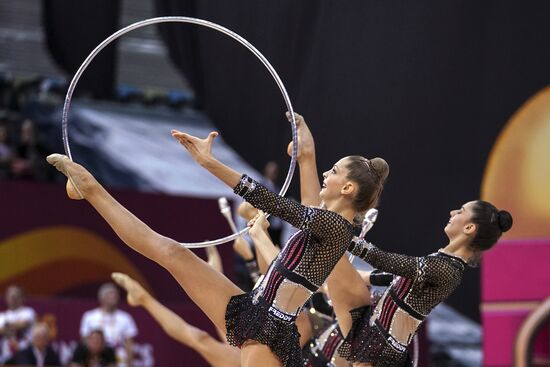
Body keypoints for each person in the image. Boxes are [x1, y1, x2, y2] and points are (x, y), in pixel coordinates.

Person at [46, 111, 387, 366]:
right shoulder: (326, 224)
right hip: (254, 308)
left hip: (271, 335)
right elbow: (310, 202)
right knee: (172, 252)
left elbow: (270, 201)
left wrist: (208, 162)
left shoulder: (336, 230)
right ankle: (89, 188)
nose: (327, 173)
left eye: (335, 171)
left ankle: (89, 189)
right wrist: (307, 155)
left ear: (347, 188)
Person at [288, 113, 513, 366]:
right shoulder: (441, 261)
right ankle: (306, 156)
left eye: (460, 212)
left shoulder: (448, 270)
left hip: (381, 352)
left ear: (470, 227)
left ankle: (307, 156)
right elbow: (393, 279)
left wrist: (349, 241)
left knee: (325, 233)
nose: (452, 213)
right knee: (321, 231)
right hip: (371, 330)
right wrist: (356, 271)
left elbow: (389, 262)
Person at [79, 283, 137, 367]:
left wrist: (131, 364)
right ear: (102, 297)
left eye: (116, 294)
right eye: (110, 294)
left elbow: (129, 344)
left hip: (119, 360)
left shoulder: (125, 318)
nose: (114, 296)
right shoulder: (90, 316)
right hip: (97, 359)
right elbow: (85, 341)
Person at [0, 285, 36, 363]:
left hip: (25, 353)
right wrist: (13, 326)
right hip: (6, 355)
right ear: (6, 298)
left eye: (16, 296)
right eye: (11, 296)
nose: (13, 298)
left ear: (22, 297)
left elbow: (23, 325)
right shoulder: (2, 316)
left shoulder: (28, 312)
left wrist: (6, 326)